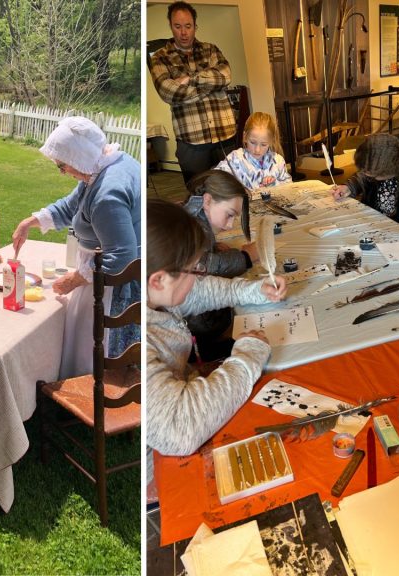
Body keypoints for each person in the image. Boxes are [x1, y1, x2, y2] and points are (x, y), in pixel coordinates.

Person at [146, 198, 287, 484]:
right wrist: (246, 356)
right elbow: (178, 428)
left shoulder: (154, 294)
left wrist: (256, 290)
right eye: (194, 269)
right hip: (162, 465)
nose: (199, 276)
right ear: (158, 280)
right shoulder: (139, 336)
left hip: (185, 413)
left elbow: (202, 291)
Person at [12, 117, 140, 379]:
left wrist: (75, 279)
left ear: (79, 157)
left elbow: (121, 258)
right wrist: (31, 222)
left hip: (109, 287)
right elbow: (72, 206)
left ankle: (92, 391)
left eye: (62, 165)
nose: (61, 171)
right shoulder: (104, 165)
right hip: (96, 276)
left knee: (89, 344)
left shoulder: (107, 193)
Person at [148, 1, 237, 183]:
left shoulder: (211, 49)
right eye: (178, 26)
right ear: (171, 26)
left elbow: (226, 76)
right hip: (191, 141)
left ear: (195, 26)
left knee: (232, 189)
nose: (183, 32)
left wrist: (190, 79)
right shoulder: (160, 57)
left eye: (188, 26)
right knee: (198, 194)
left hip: (225, 134)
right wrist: (210, 85)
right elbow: (169, 92)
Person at [182, 170, 257, 358]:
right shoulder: (194, 227)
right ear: (207, 201)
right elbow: (205, 265)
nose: (230, 225)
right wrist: (246, 257)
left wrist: (213, 247)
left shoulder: (194, 216)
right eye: (229, 215)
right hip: (201, 328)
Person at [330, 133, 399, 223]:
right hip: (373, 222)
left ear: (391, 172)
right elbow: (364, 174)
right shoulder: (385, 149)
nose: (366, 175)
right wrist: (348, 187)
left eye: (373, 175)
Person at [214, 112, 292, 189]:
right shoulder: (235, 159)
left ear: (271, 141)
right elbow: (214, 180)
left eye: (263, 144)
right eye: (253, 143)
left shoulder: (278, 161)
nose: (257, 150)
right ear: (245, 137)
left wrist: (274, 184)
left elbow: (290, 187)